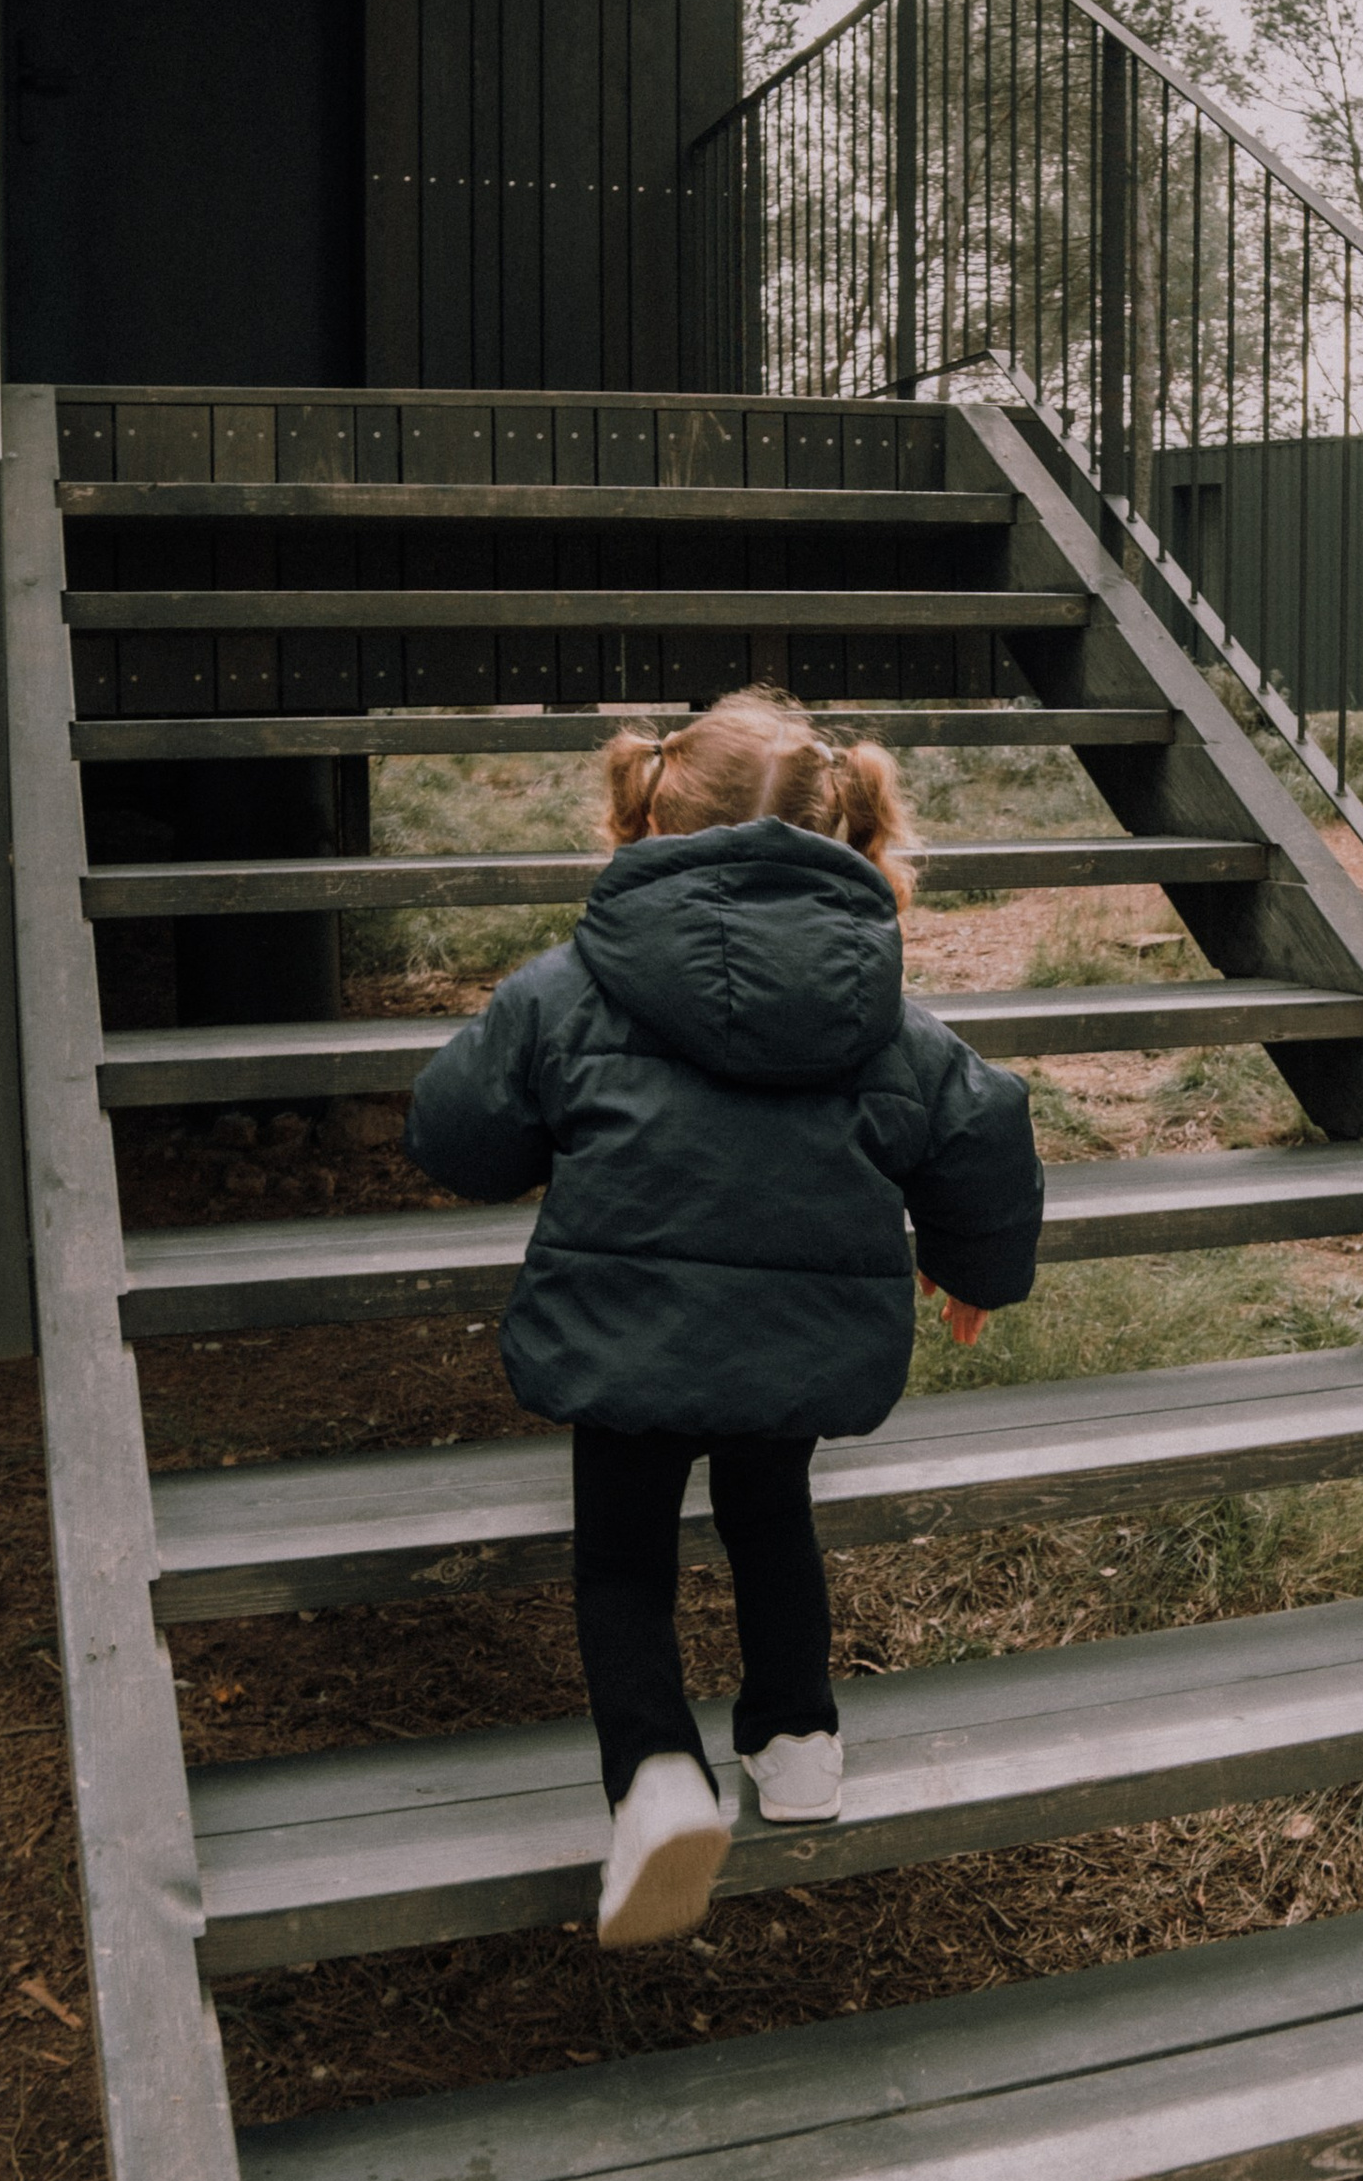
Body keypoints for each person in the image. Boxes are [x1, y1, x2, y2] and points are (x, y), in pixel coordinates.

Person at [404, 688, 1043, 1948]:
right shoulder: (885, 1017)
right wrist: (977, 1271)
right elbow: (982, 1127)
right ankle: (798, 1742)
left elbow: (455, 1136)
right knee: (769, 1517)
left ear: (643, 818)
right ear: (849, 832)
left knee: (624, 1560)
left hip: (621, 1331)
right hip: (792, 1347)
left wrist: (542, 1122)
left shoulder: (565, 992)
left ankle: (652, 1780)